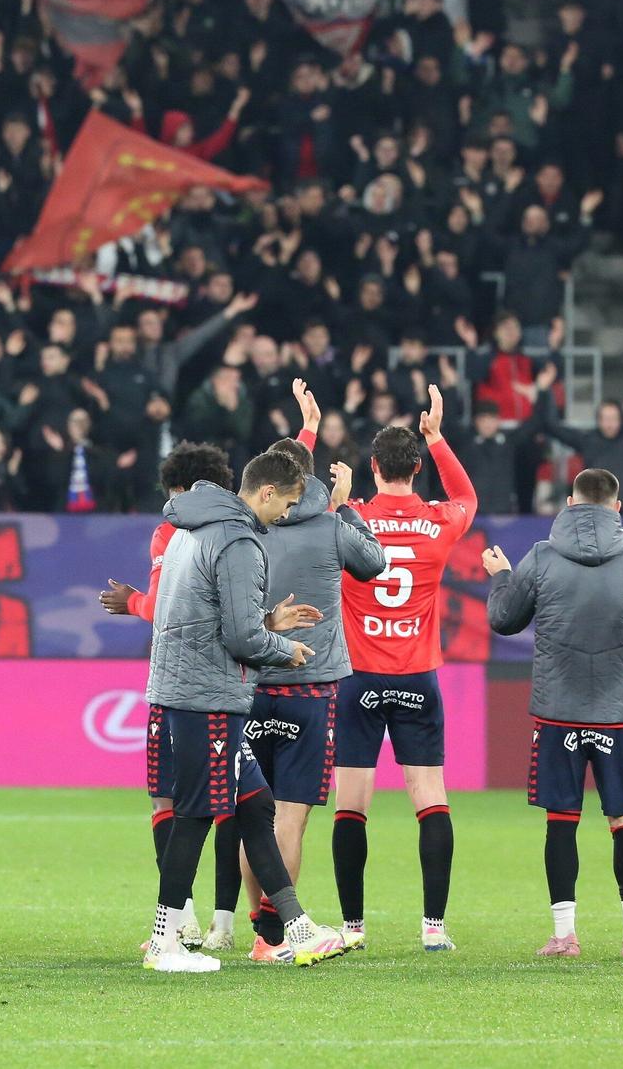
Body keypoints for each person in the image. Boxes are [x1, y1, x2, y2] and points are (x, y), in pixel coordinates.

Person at [140, 449, 348, 973]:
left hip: (192, 688)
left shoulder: (196, 527)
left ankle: (295, 929)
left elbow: (207, 613)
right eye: (288, 504)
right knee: (195, 814)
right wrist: (284, 647)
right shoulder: (238, 540)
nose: (286, 516)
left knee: (255, 806)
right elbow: (238, 636)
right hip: (208, 696)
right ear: (267, 492)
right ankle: (165, 942)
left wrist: (267, 622)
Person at [484, 468, 623, 960]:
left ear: (570, 503)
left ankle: (564, 935)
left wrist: (503, 577)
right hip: (620, 713)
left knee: (561, 822)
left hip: (558, 713)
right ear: (618, 508)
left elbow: (503, 619)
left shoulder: (541, 556)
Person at [308, 385, 475, 952]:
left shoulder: (349, 518)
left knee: (351, 803)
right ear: (417, 467)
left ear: (374, 467)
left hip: (357, 678)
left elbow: (305, 517)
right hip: (418, 677)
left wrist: (339, 498)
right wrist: (439, 437)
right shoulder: (440, 520)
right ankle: (434, 929)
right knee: (430, 796)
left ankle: (353, 928)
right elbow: (468, 497)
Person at [234, 382, 387, 962]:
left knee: (253, 813)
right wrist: (347, 505)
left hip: (249, 682)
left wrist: (306, 428)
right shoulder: (330, 523)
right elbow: (374, 565)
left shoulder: (248, 523)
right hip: (311, 685)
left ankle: (260, 933)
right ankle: (279, 936)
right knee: (289, 818)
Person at [100, 441, 235, 952]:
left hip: (179, 682)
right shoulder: (241, 530)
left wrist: (130, 599)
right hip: (233, 681)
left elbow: (162, 608)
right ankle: (225, 925)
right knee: (232, 801)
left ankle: (179, 919)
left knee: (169, 797)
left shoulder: (172, 532)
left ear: (180, 490)